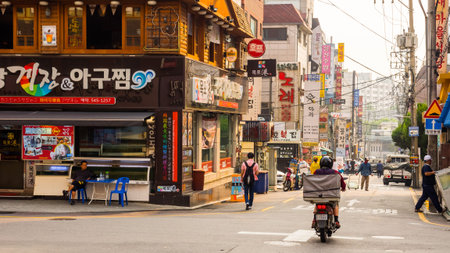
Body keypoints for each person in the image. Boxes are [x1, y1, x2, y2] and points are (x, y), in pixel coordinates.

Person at [312, 156, 347, 228]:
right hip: (331, 195)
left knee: (317, 204)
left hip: (319, 195)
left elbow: (312, 181)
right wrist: (343, 188)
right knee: (335, 205)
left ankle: (314, 220)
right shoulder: (335, 172)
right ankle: (336, 221)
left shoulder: (316, 172)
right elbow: (342, 182)